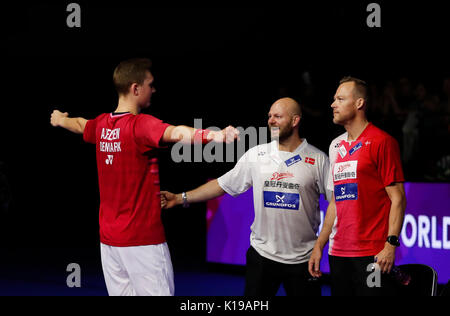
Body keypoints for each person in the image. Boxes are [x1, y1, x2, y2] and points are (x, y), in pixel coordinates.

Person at [50, 58, 239, 296]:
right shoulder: (140, 125)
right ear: (135, 88)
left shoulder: (101, 125)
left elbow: (79, 123)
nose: (154, 89)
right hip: (143, 243)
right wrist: (214, 136)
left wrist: (59, 120)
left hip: (109, 243)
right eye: (150, 84)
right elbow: (177, 132)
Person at [161, 97, 331, 296]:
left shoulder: (318, 160)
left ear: (295, 121)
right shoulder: (256, 155)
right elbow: (221, 185)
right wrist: (180, 197)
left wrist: (320, 245)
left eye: (277, 116)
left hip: (304, 260)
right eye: (269, 116)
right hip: (261, 257)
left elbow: (336, 205)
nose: (271, 121)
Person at [308, 77, 407, 296]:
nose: (333, 104)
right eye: (334, 99)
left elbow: (398, 198)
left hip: (372, 254)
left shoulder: (382, 142)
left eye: (340, 99)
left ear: (359, 103)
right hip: (338, 253)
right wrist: (319, 245)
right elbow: (335, 200)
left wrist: (390, 244)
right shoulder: (336, 146)